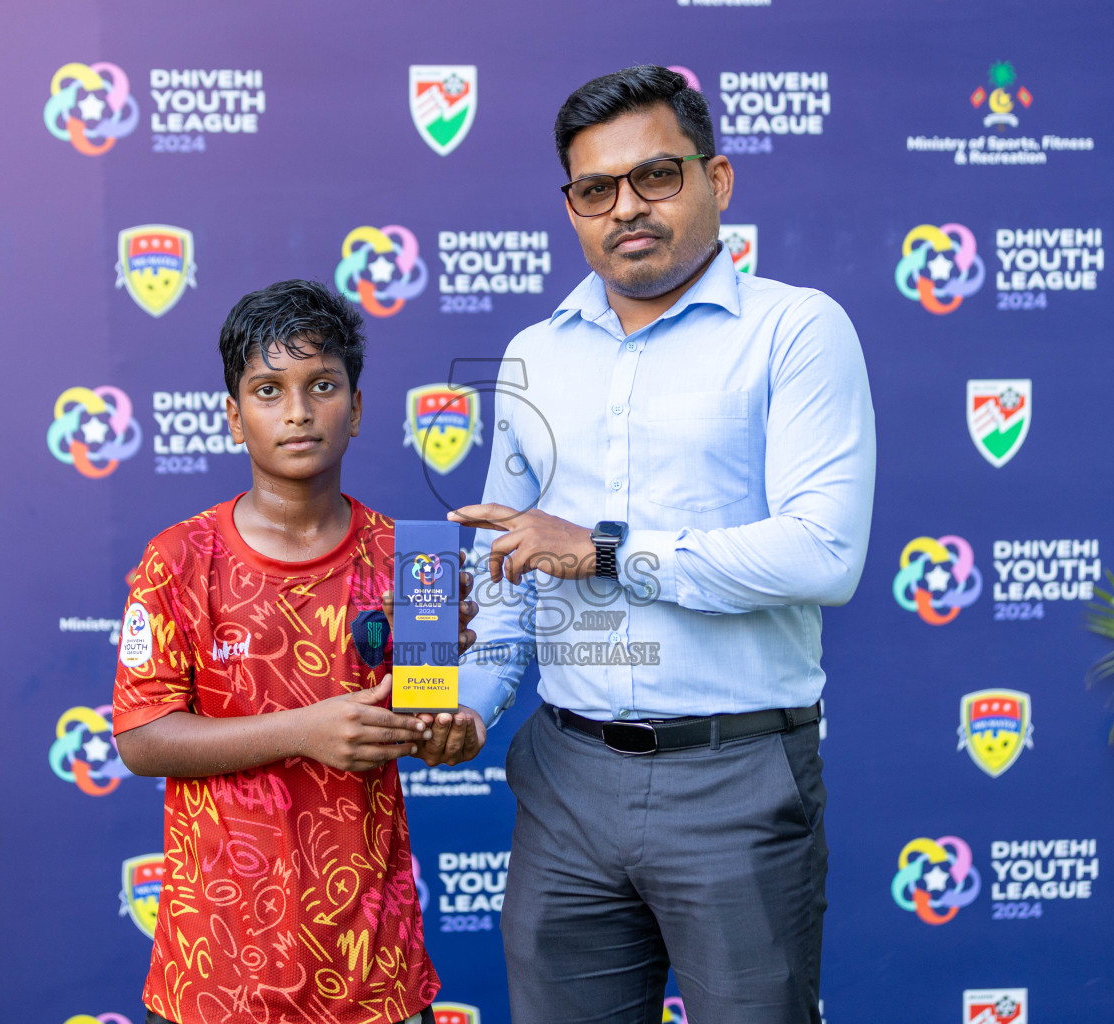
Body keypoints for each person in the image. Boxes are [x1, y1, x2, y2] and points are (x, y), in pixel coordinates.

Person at [446, 66, 876, 1024]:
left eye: (657, 177)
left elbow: (823, 555)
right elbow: (511, 567)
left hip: (736, 780)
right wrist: (468, 709)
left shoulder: (796, 332)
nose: (626, 209)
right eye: (596, 190)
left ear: (716, 180)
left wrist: (603, 550)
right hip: (565, 780)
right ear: (570, 207)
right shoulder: (534, 355)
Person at [112, 279, 482, 1024]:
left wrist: (451, 733)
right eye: (268, 389)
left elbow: (429, 721)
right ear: (232, 416)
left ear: (357, 408)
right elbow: (142, 738)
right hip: (216, 969)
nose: (298, 411)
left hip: (370, 968)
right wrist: (304, 731)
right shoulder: (180, 558)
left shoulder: (416, 560)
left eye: (321, 385)